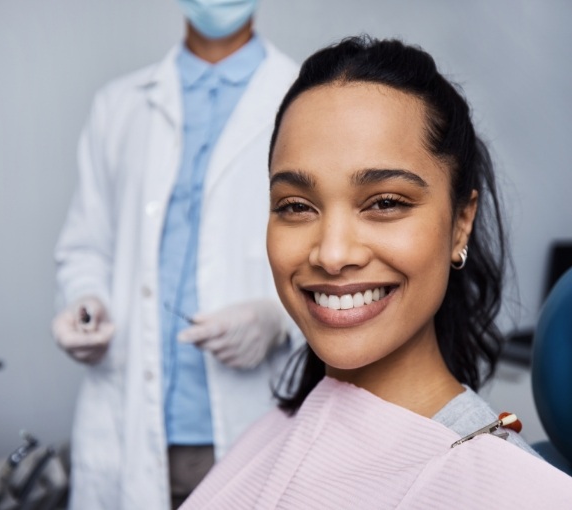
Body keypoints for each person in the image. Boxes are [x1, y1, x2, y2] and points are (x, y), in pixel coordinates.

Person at [181, 37, 572, 508]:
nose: (332, 253)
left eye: (386, 202)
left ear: (459, 224)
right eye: (296, 206)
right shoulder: (269, 434)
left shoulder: (511, 490)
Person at [51, 1, 300, 508]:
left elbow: (334, 251)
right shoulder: (119, 105)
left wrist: (281, 319)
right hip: (127, 424)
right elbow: (86, 246)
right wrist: (86, 301)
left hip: (247, 423)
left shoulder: (303, 99)